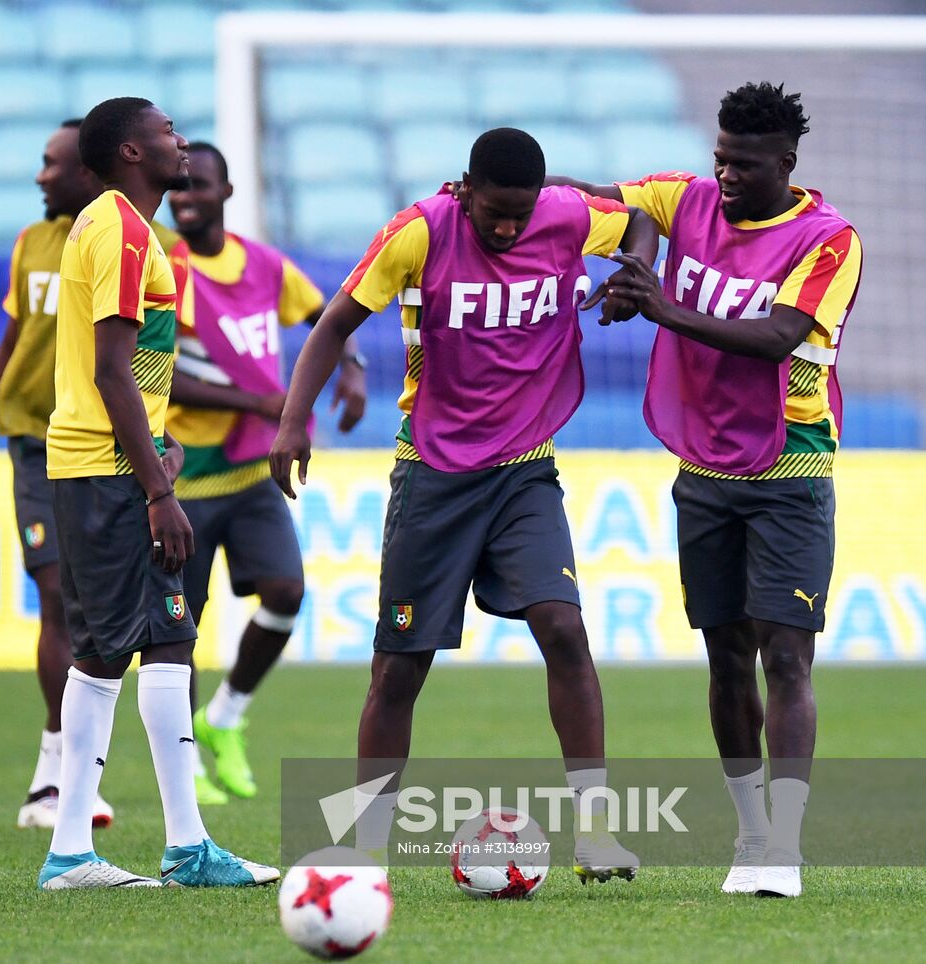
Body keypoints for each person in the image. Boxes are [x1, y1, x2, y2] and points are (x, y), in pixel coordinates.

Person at [270, 128, 659, 882]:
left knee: (564, 630)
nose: (509, 227)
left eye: (520, 214)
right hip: (434, 475)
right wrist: (293, 420)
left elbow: (648, 213)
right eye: (495, 213)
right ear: (465, 188)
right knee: (399, 668)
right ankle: (362, 850)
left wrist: (636, 268)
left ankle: (597, 833)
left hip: (524, 470)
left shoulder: (569, 216)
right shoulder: (420, 231)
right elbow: (335, 324)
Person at [551, 82, 863, 898]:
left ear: (786, 164)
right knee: (725, 658)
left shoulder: (829, 239)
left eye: (744, 165)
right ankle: (751, 834)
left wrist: (660, 304)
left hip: (791, 467)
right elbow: (593, 205)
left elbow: (778, 337)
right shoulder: (685, 197)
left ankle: (785, 849)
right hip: (704, 470)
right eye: (719, 158)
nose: (724, 176)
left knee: (786, 656)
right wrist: (477, 191)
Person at [37, 97, 278, 890]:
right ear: (132, 153)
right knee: (106, 652)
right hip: (105, 474)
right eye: (166, 130)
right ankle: (71, 851)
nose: (180, 139)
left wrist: (159, 436)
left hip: (117, 463)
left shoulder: (127, 229)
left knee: (167, 637)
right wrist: (155, 490)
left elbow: (125, 368)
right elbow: (108, 369)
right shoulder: (118, 230)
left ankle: (186, 847)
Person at [165, 141, 367, 804]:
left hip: (251, 474)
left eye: (199, 186)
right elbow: (157, 372)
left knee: (285, 592)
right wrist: (256, 400)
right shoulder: (163, 266)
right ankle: (186, 763)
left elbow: (328, 317)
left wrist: (355, 370)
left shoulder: (264, 265)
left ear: (227, 193)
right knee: (179, 629)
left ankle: (222, 721)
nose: (185, 196)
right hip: (183, 480)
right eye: (177, 187)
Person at [0, 119, 118, 830]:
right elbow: (10, 349)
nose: (40, 176)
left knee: (96, 612)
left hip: (108, 446)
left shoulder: (131, 241)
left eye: (51, 165)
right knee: (58, 597)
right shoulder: (31, 244)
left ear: (87, 171)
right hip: (36, 446)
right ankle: (57, 775)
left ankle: (67, 775)